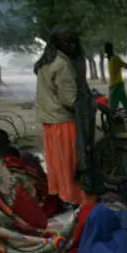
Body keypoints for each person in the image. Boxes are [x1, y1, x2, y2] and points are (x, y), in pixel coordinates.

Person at [35, 27, 92, 206]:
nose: (74, 46)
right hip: (63, 120)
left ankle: (64, 195)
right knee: (71, 162)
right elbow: (69, 98)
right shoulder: (62, 63)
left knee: (58, 164)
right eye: (70, 42)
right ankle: (77, 198)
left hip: (49, 119)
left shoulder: (47, 60)